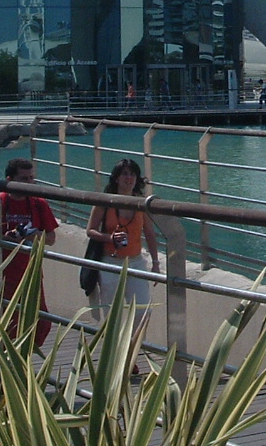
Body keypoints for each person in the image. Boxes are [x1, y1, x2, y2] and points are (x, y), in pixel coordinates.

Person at [0, 158, 59, 347]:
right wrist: (4, 238)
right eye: (24, 179)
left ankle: (23, 357)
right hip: (0, 273)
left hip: (29, 272)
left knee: (42, 322)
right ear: (9, 179)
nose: (29, 184)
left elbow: (51, 238)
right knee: (3, 322)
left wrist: (31, 235)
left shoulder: (39, 203)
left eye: (31, 179)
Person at [86, 158, 161, 371]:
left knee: (143, 310)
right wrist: (110, 238)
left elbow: (150, 233)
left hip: (136, 262)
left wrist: (155, 263)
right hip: (110, 263)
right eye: (125, 174)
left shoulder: (141, 202)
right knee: (113, 313)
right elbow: (90, 230)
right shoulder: (105, 201)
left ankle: (129, 353)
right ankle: (117, 358)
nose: (129, 178)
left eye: (132, 174)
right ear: (117, 177)